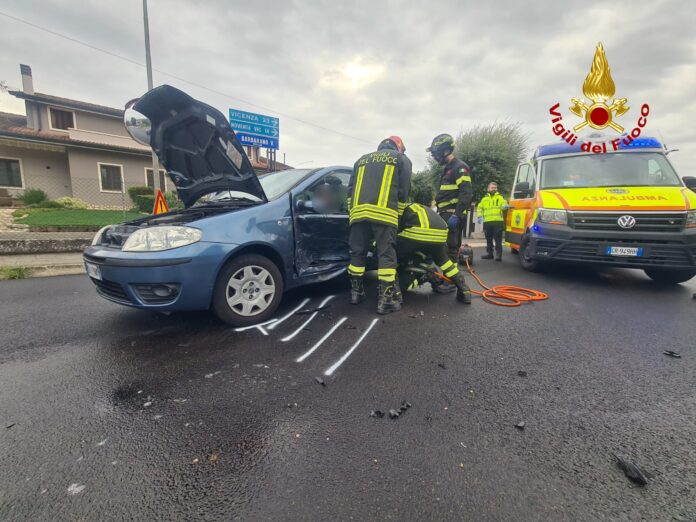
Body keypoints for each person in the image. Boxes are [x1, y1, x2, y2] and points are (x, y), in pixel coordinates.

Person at [347, 136, 412, 314]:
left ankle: (356, 293)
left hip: (358, 214)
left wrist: (352, 212)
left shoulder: (361, 160)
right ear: (398, 147)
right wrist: (398, 216)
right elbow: (404, 192)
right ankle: (386, 300)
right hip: (385, 215)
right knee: (386, 256)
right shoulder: (401, 159)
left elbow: (350, 190)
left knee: (357, 254)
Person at [397, 202, 472, 303]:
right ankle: (465, 290)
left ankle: (417, 278)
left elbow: (395, 229)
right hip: (440, 234)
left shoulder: (399, 208)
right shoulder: (419, 207)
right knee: (445, 263)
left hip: (417, 232)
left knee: (391, 251)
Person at [427, 134, 473, 261]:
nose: (435, 157)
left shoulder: (459, 167)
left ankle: (451, 279)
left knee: (451, 250)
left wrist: (456, 215)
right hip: (444, 214)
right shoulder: (448, 168)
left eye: (436, 153)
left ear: (446, 150)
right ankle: (447, 277)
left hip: (452, 215)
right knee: (443, 249)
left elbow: (467, 193)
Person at [477, 182, 507, 261]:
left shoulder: (500, 198)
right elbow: (479, 208)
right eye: (492, 187)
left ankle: (498, 255)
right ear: (488, 189)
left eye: (495, 188)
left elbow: (504, 203)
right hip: (487, 222)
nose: (494, 189)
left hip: (498, 222)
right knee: (488, 239)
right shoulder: (484, 199)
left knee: (498, 240)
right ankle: (490, 254)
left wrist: (504, 206)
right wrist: (480, 216)